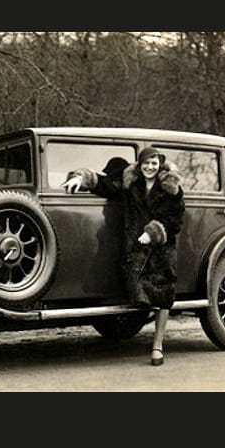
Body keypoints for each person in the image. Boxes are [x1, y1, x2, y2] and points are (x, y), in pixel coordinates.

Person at [61, 148, 185, 367]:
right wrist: (81, 178)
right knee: (140, 293)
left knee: (162, 295)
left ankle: (157, 346)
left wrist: (153, 232)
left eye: (154, 163)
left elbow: (175, 218)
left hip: (161, 248)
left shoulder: (170, 188)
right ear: (140, 164)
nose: (150, 167)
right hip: (137, 248)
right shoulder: (131, 185)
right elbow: (105, 185)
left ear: (160, 165)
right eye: (146, 163)